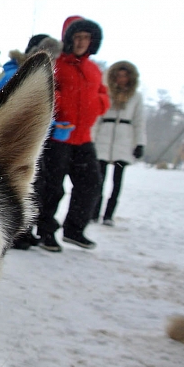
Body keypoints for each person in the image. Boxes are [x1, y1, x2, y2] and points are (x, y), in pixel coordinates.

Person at [36, 16, 109, 252]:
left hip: (83, 137)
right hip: (59, 136)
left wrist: (99, 105)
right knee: (52, 187)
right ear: (68, 39)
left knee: (91, 183)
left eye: (86, 38)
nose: (82, 42)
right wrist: (60, 105)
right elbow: (45, 90)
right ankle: (46, 231)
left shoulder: (94, 69)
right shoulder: (56, 63)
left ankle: (74, 230)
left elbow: (103, 95)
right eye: (77, 37)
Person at [0, 34, 63, 250]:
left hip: (37, 139)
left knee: (40, 185)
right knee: (32, 185)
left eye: (55, 54)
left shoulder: (46, 80)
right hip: (11, 141)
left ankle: (27, 231)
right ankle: (22, 234)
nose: (53, 58)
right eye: (47, 52)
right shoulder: (12, 75)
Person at [91, 61, 146, 226]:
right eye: (119, 75)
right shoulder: (105, 93)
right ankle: (94, 212)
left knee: (117, 182)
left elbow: (139, 121)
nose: (122, 79)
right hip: (103, 139)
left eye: (125, 75)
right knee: (99, 180)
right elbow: (96, 118)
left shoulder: (136, 97)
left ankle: (108, 215)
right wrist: (91, 139)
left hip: (124, 141)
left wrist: (139, 143)